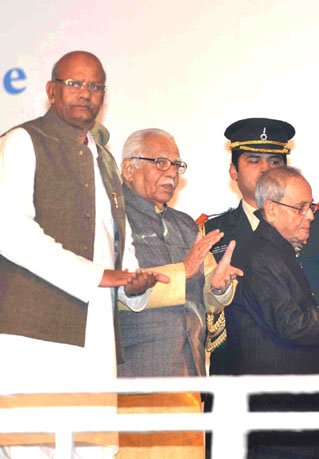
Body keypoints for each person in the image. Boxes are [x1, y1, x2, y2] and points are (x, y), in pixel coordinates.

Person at [0, 51, 166, 457]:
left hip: (96, 332)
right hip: (33, 331)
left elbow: (117, 244)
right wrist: (95, 275)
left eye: (95, 87)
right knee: (32, 447)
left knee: (94, 447)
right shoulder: (23, 141)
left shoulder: (106, 160)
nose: (85, 94)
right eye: (74, 83)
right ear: (51, 91)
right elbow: (9, 230)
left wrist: (132, 282)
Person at [221, 166, 319, 458]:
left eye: (310, 207)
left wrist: (318, 359)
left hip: (293, 415)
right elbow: (293, 325)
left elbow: (277, 335)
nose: (310, 215)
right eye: (301, 208)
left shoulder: (278, 252)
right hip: (282, 421)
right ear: (271, 210)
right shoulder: (260, 256)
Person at [203, 118, 319, 373]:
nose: (265, 169)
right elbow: (199, 309)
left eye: (274, 161)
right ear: (233, 172)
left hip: (305, 365)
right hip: (234, 374)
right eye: (253, 160)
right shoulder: (212, 232)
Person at [119, 128, 242, 377]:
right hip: (136, 373)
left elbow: (207, 294)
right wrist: (183, 271)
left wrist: (218, 287)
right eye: (161, 163)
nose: (172, 173)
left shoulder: (185, 224)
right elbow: (119, 287)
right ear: (129, 169)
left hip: (189, 368)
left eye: (176, 165)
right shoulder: (114, 219)